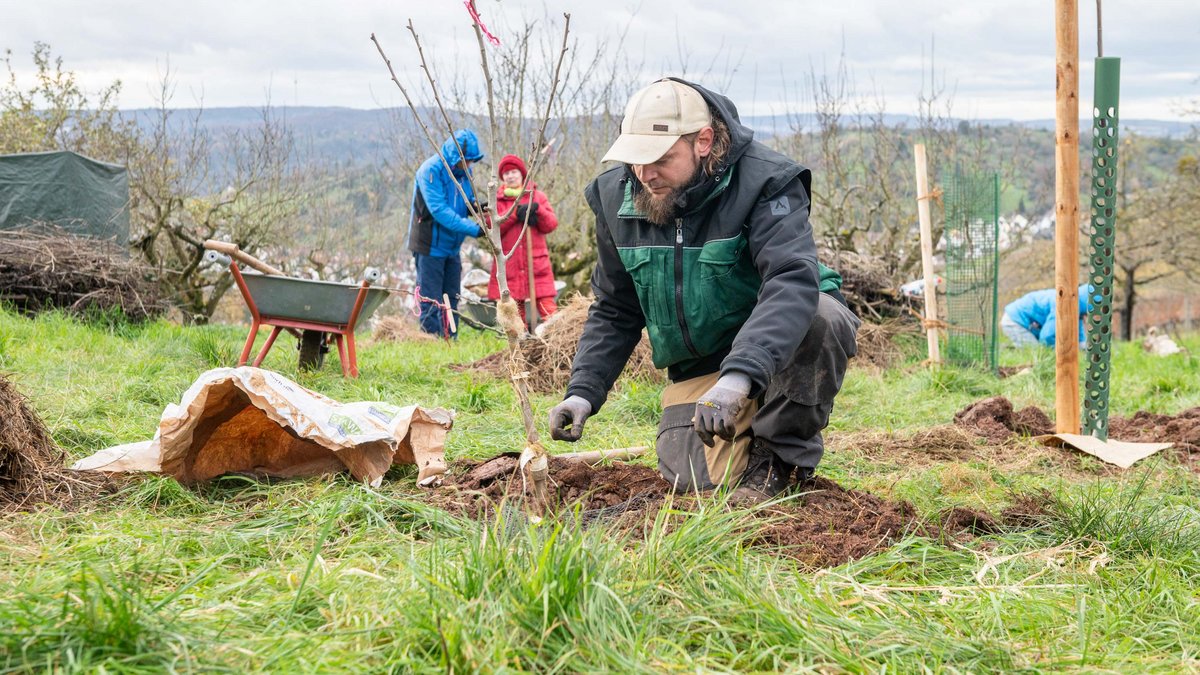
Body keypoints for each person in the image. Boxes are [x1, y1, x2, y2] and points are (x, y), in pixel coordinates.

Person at [547, 78, 860, 504]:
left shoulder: (766, 183)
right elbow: (616, 308)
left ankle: (777, 459)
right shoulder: (614, 197)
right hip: (701, 366)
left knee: (823, 316)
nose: (645, 174)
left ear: (704, 141)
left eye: (659, 158)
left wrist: (739, 378)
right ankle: (742, 439)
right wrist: (583, 391)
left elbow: (791, 279)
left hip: (779, 347)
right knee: (698, 485)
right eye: (635, 159)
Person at [408, 129, 487, 337]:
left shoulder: (465, 172)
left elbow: (463, 199)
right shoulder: (430, 171)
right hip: (430, 246)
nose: (470, 165)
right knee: (431, 297)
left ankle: (450, 338)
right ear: (456, 157)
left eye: (472, 161)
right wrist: (475, 229)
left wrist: (476, 207)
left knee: (452, 296)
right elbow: (440, 210)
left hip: (452, 246)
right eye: (467, 160)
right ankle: (430, 340)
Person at [486, 154, 560, 321]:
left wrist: (537, 210)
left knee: (549, 310)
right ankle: (520, 346)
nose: (510, 176)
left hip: (536, 263)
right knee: (515, 315)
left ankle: (559, 342)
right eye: (506, 173)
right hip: (510, 265)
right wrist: (515, 214)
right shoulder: (497, 200)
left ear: (522, 174)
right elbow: (492, 227)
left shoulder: (537, 196)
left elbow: (551, 224)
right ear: (502, 178)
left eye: (514, 172)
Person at [1001, 284, 1093, 348]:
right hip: (1015, 321)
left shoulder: (1075, 305)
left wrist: (1083, 345)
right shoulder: (1063, 305)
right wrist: (1064, 349)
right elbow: (1046, 337)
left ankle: (1010, 348)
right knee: (1035, 352)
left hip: (1030, 322)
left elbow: (1079, 335)